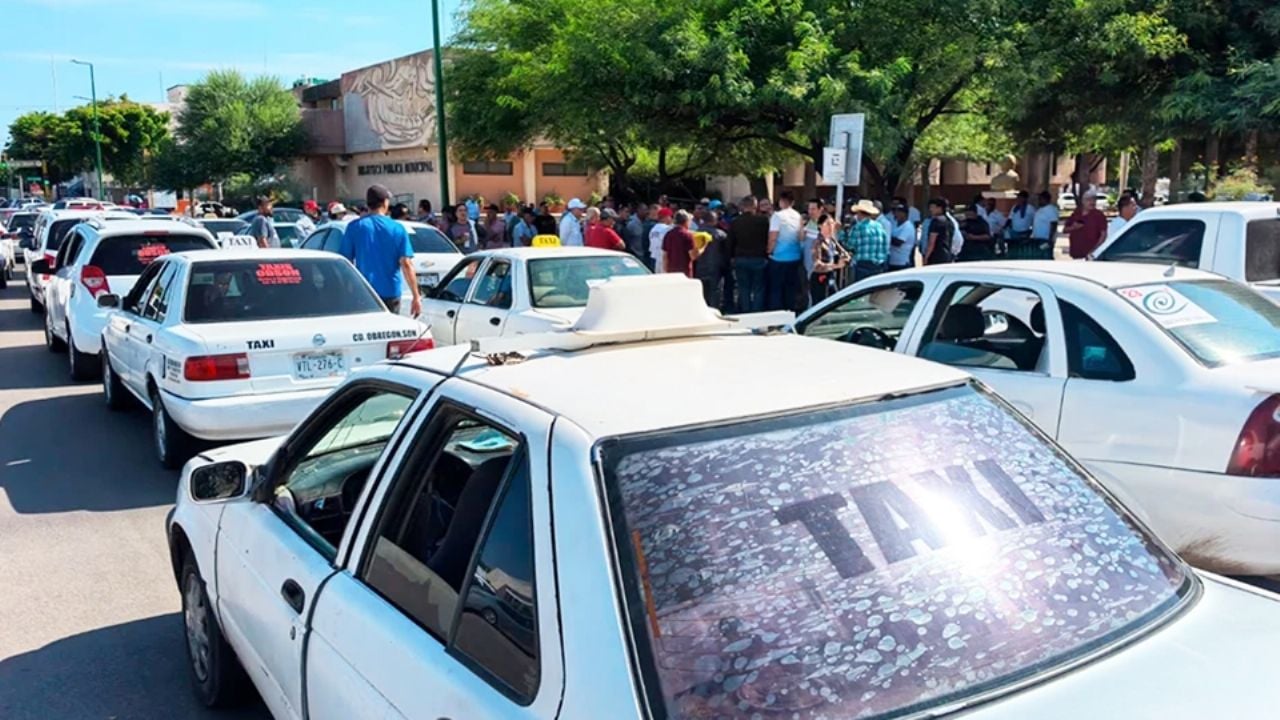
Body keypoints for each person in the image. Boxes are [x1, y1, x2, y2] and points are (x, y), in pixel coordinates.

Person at [339, 184, 420, 316]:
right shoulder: (397, 228)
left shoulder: (355, 227)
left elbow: (345, 263)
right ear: (385, 202)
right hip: (391, 292)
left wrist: (347, 291)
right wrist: (416, 296)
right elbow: (406, 263)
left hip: (364, 292)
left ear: (368, 203)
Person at [728, 195, 769, 312]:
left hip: (740, 258)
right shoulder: (763, 221)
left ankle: (745, 311)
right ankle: (757, 312)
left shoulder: (735, 222)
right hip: (759, 258)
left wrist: (731, 257)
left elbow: (730, 242)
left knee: (743, 288)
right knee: (759, 288)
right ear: (755, 206)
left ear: (742, 206)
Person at [767, 191, 805, 312]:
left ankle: (777, 315)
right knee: (791, 288)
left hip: (779, 257)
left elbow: (773, 236)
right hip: (795, 256)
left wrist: (769, 251)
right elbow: (800, 236)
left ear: (781, 201)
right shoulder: (798, 216)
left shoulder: (777, 216)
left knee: (776, 289)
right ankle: (790, 312)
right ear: (793, 202)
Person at [846, 200, 891, 280]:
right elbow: (885, 245)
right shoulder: (879, 226)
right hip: (879, 264)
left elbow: (850, 245)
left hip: (863, 264)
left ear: (859, 213)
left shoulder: (858, 227)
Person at [694, 209, 730, 309]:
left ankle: (702, 309)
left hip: (700, 266)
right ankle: (714, 310)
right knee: (715, 291)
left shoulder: (695, 233)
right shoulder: (720, 234)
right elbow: (727, 250)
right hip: (716, 266)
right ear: (714, 221)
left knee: (701, 291)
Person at [810, 213, 848, 305]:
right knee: (820, 304)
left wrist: (845, 257)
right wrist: (835, 265)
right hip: (820, 278)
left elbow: (844, 253)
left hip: (830, 275)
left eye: (832, 223)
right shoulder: (817, 242)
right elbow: (817, 264)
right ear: (820, 226)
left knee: (834, 301)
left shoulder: (832, 240)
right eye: (827, 224)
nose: (831, 226)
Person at [1062, 191, 1107, 259]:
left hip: (1091, 254)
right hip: (1076, 253)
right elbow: (1065, 230)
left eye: (1094, 200)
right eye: (1089, 200)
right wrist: (1073, 227)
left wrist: (1095, 250)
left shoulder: (1099, 215)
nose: (1092, 202)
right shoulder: (1076, 213)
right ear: (1083, 201)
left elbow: (1103, 235)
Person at [663, 210, 701, 277]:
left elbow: (665, 256)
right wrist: (701, 248)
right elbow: (693, 256)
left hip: (671, 272)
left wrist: (665, 271)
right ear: (686, 221)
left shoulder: (668, 234)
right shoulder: (688, 235)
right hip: (684, 273)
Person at [1005, 190, 1036, 259]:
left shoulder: (1030, 208)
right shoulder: (1015, 208)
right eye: (1018, 197)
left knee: (1022, 247)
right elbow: (1010, 218)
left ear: (1025, 198)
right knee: (1012, 246)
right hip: (1014, 231)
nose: (1018, 199)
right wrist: (1005, 227)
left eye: (1020, 197)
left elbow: (1034, 220)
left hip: (1025, 232)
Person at [922, 198, 955, 265]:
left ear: (940, 208)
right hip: (947, 256)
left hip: (935, 257)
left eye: (933, 207)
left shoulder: (936, 221)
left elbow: (932, 242)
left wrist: (926, 257)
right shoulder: (950, 221)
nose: (930, 209)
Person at [887, 203, 917, 271]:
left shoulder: (908, 226)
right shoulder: (894, 224)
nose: (896, 213)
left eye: (898, 211)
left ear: (904, 213)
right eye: (895, 211)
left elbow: (898, 242)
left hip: (902, 263)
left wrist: (887, 237)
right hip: (892, 261)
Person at [1031, 191, 1060, 260]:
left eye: (1040, 199)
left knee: (1046, 256)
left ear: (1045, 199)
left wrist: (1050, 239)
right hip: (1038, 238)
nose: (1039, 201)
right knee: (1039, 257)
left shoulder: (1051, 209)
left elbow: (1054, 224)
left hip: (1045, 239)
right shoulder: (1040, 209)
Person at [648, 207, 674, 272]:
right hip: (664, 259)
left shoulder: (653, 229)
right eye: (670, 216)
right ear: (666, 217)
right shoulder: (667, 229)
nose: (671, 219)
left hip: (654, 259)